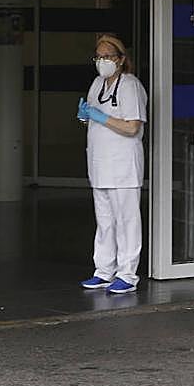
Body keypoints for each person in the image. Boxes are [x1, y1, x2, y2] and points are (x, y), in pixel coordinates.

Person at [77, 33, 148, 294]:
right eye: (99, 57)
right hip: (99, 164)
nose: (103, 61)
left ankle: (127, 274)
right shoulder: (97, 84)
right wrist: (86, 117)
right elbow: (91, 117)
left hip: (123, 165)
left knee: (126, 221)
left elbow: (132, 127)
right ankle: (104, 270)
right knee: (105, 221)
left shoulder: (130, 85)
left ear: (120, 59)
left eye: (108, 56)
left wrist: (100, 116)